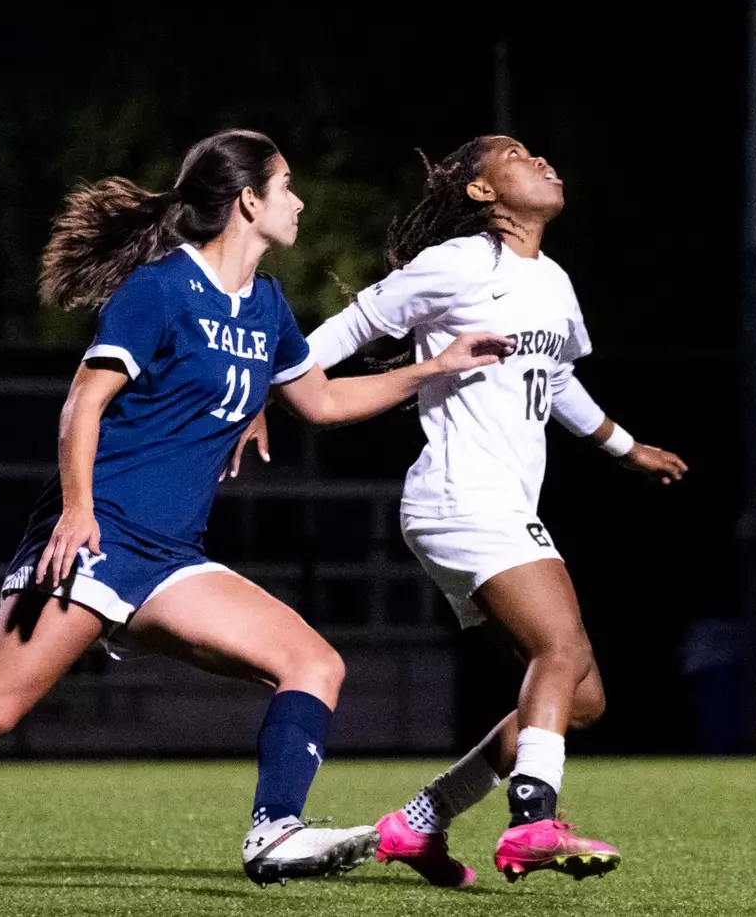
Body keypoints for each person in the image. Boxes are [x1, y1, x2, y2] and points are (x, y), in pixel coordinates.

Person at [0, 129, 514, 896]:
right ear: (249, 201)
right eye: (287, 186)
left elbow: (323, 400)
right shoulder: (160, 289)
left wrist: (436, 366)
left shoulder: (268, 304)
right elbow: (84, 401)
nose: (299, 201)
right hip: (97, 537)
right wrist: (78, 510)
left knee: (314, 663)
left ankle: (274, 830)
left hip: (171, 556)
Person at [232, 135, 687, 885]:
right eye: (517, 154)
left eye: (543, 152)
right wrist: (262, 393)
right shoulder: (458, 263)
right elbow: (348, 330)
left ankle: (419, 822)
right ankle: (533, 820)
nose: (542, 159)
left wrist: (625, 447)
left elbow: (557, 378)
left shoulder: (555, 282)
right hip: (459, 495)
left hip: (498, 503)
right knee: (562, 648)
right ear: (481, 192)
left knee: (581, 700)